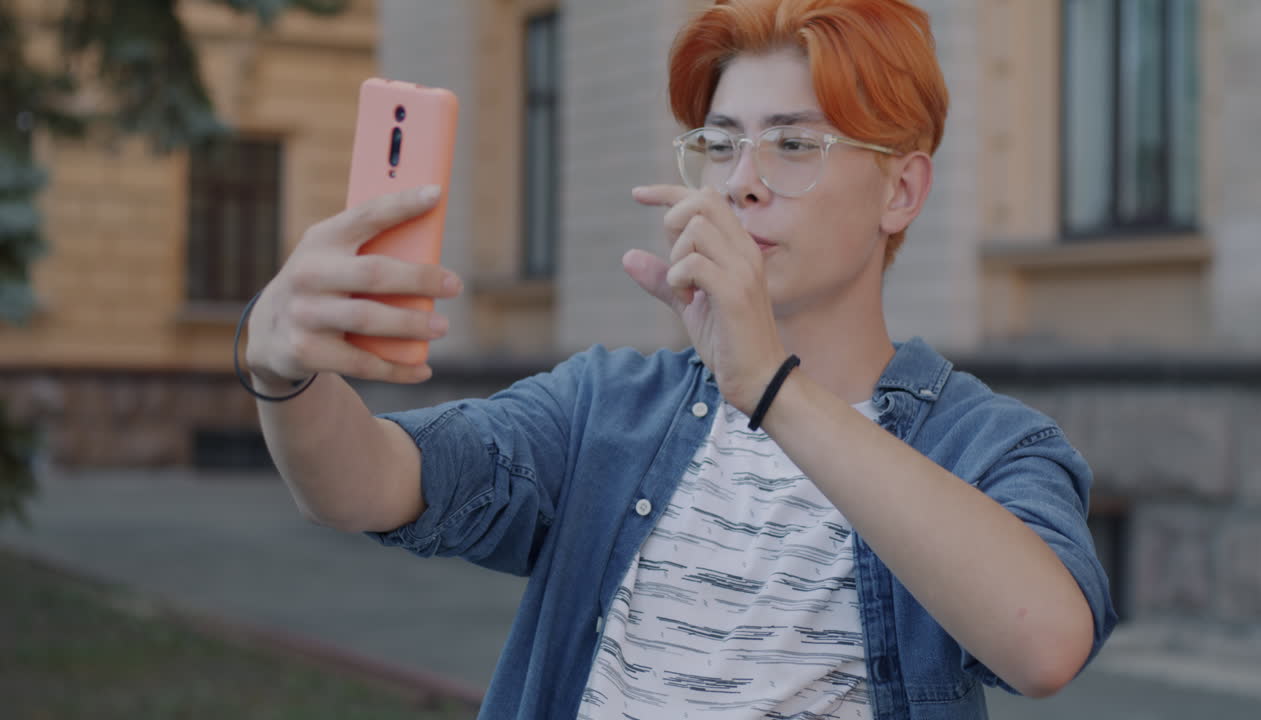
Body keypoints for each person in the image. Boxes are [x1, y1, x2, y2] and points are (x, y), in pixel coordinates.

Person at [242, 0, 1116, 717]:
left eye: (794, 144)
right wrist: (283, 369)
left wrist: (769, 386)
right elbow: (364, 486)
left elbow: (1045, 644)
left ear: (900, 190)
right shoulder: (606, 406)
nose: (742, 179)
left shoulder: (986, 444)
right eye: (721, 142)